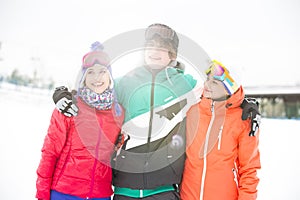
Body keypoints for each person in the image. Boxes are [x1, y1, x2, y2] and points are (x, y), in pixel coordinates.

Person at [51, 24, 261, 199]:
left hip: (164, 189)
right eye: (151, 46)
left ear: (172, 55)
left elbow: (219, 93)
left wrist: (247, 104)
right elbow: (95, 92)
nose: (156, 51)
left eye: (163, 48)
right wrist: (66, 94)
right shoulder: (125, 82)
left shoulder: (186, 84)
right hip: (125, 187)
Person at [35, 42, 124, 200]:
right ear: (83, 77)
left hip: (100, 194)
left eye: (102, 72)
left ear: (110, 77)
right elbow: (49, 154)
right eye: (90, 72)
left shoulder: (118, 113)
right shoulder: (69, 108)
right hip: (64, 193)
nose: (97, 78)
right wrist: (42, 194)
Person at [180, 60, 261, 200]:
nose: (207, 85)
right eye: (207, 79)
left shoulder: (243, 120)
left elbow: (249, 170)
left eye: (215, 82)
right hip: (188, 195)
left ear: (229, 89)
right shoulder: (192, 110)